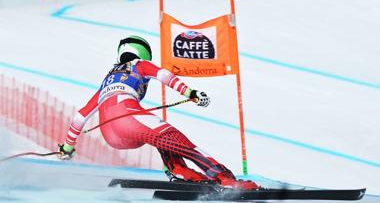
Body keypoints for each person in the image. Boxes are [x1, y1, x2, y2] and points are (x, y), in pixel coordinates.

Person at [58, 35, 259, 190]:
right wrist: (191, 93)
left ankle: (180, 171)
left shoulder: (107, 82)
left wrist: (67, 148)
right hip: (128, 118)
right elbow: (163, 75)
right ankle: (226, 179)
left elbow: (80, 117)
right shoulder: (139, 64)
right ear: (143, 52)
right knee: (175, 139)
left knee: (159, 136)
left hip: (111, 134)